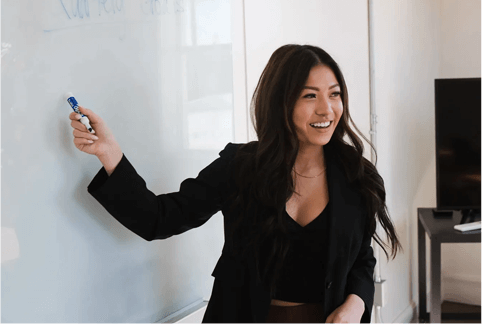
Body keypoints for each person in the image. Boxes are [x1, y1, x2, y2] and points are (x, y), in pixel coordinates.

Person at [69, 44, 402, 323]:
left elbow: (360, 257)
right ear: (281, 102)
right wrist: (110, 153)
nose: (326, 109)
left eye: (335, 94)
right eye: (309, 96)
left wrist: (355, 304)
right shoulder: (241, 167)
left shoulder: (356, 176)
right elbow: (160, 217)